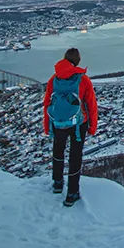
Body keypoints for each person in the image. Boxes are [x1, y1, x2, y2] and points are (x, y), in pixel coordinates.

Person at [43, 47, 98, 206]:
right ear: (77, 61)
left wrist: (47, 126)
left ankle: (57, 183)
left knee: (58, 151)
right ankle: (72, 193)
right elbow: (91, 105)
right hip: (78, 124)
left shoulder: (54, 80)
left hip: (58, 122)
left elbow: (47, 104)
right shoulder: (83, 80)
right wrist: (92, 126)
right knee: (75, 156)